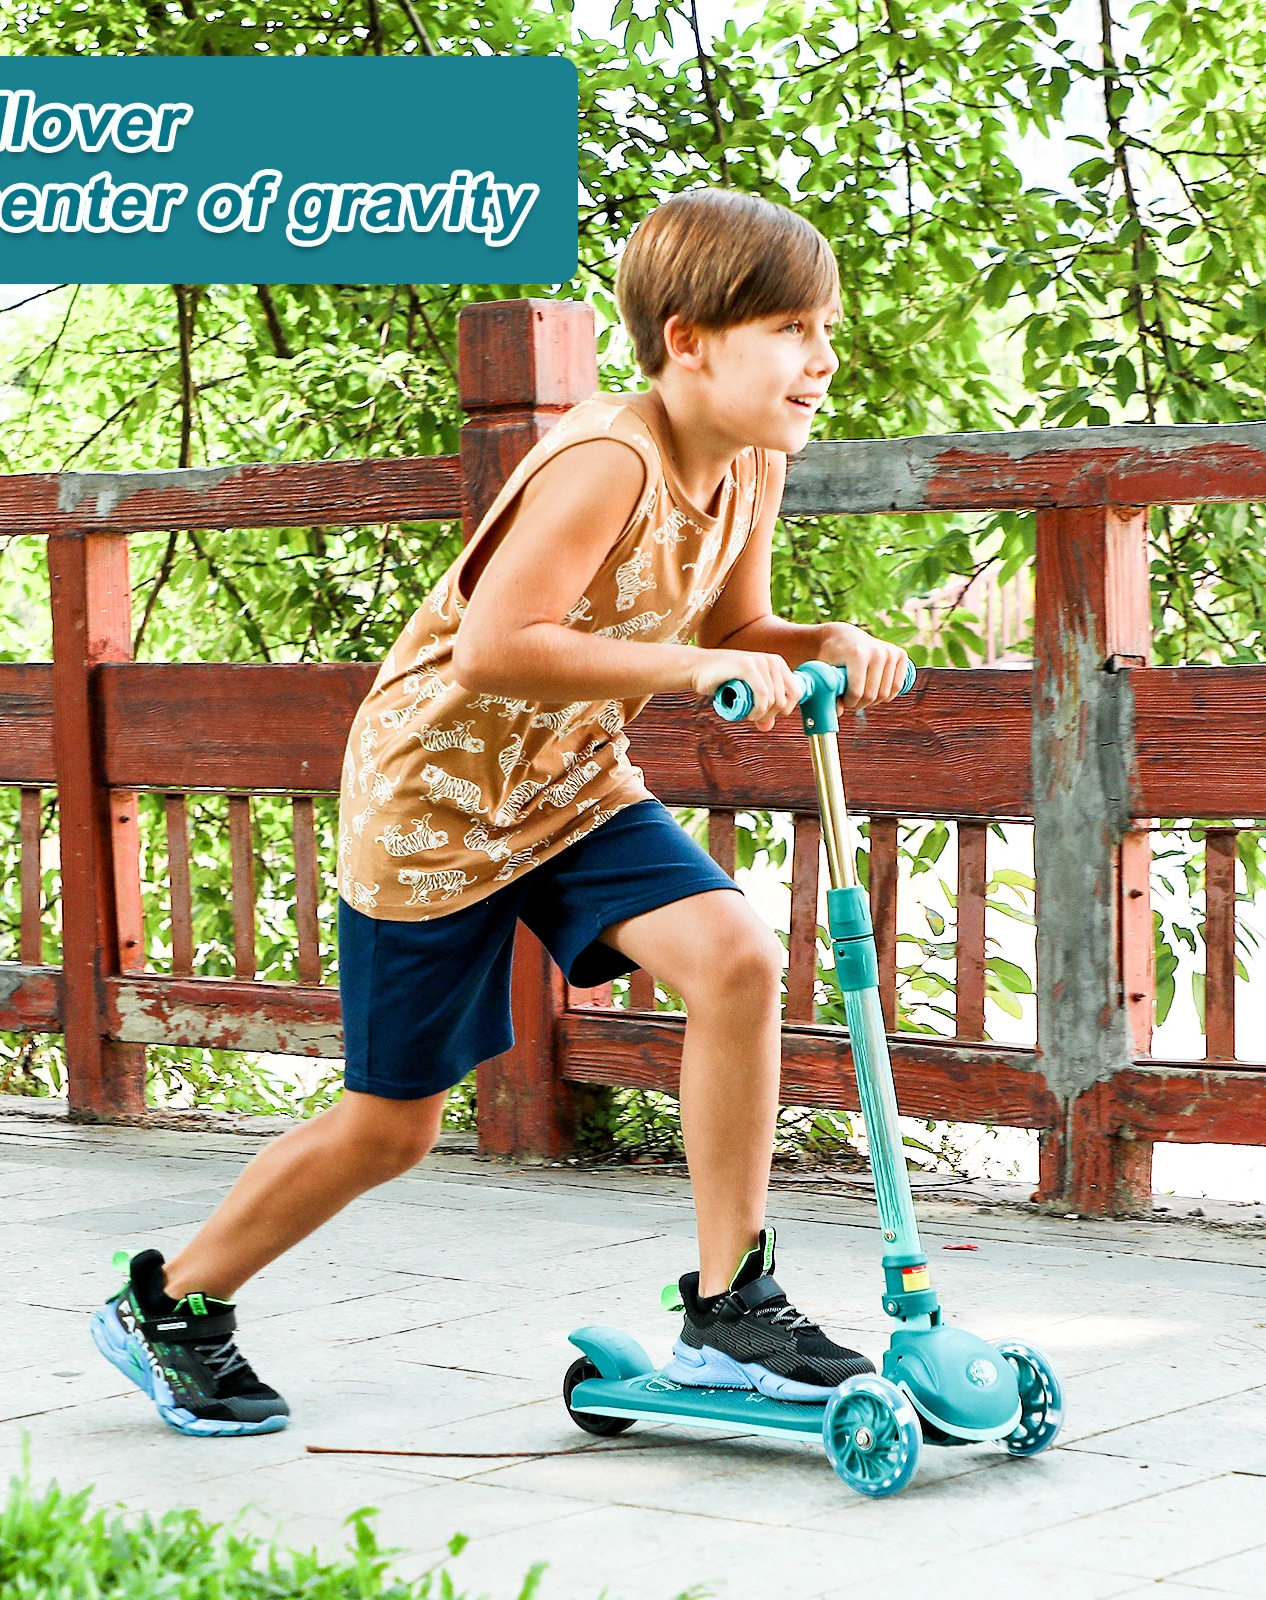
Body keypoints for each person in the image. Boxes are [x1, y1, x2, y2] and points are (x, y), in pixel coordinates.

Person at [91, 189, 912, 1435]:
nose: (824, 359)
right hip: (434, 800)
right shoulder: (607, 457)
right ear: (688, 340)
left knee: (734, 955)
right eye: (793, 329)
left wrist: (826, 639)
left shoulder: (748, 466)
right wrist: (690, 672)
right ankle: (174, 1302)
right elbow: (492, 647)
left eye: (827, 329)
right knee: (392, 1125)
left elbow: (737, 629)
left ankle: (728, 1303)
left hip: (569, 782)